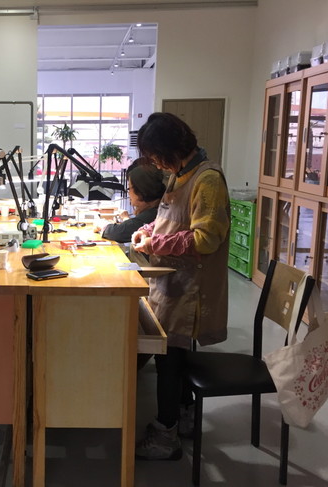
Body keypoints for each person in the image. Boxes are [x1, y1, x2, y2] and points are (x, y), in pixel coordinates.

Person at [132, 112, 231, 460]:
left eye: (158, 156)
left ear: (172, 148)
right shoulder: (180, 174)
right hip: (170, 283)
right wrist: (148, 231)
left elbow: (206, 239)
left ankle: (166, 434)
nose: (158, 164)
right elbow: (170, 221)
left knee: (170, 361)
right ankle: (183, 417)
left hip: (189, 289)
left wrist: (156, 243)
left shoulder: (208, 180)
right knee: (170, 357)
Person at [93, 157, 165, 243]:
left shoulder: (152, 214)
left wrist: (101, 224)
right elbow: (133, 227)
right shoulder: (154, 209)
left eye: (129, 188)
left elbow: (118, 233)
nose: (128, 193)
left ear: (140, 191)